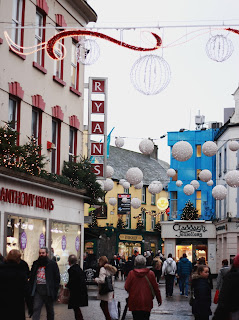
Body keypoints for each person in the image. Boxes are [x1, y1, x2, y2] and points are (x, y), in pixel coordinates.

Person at [125, 254, 162, 320]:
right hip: (147, 301)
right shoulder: (150, 274)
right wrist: (159, 299)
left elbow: (126, 287)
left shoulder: (131, 273)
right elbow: (156, 288)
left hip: (134, 301)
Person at [29, 246, 60, 320]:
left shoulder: (52, 264)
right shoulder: (36, 263)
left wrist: (55, 290)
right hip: (38, 290)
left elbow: (57, 278)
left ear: (47, 254)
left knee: (50, 310)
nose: (41, 254)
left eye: (43, 253)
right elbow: (32, 276)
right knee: (36, 308)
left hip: (48, 290)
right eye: (40, 253)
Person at [0, 249, 30, 320]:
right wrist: (30, 305)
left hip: (3, 304)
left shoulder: (1, 270)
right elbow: (26, 290)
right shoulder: (21, 273)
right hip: (17, 304)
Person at [213, 254, 239, 320]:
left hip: (234, 311)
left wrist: (217, 288)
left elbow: (224, 301)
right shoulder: (230, 273)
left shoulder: (231, 276)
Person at [95, 256, 117, 320]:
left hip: (104, 290)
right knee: (105, 305)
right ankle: (108, 318)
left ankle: (108, 318)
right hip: (109, 289)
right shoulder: (110, 268)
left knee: (103, 305)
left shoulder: (103, 269)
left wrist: (96, 279)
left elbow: (102, 280)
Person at [66, 254, 88, 320]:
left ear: (69, 261)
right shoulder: (78, 269)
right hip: (80, 291)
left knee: (76, 308)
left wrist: (67, 285)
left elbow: (73, 281)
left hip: (76, 292)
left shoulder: (72, 270)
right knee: (76, 308)